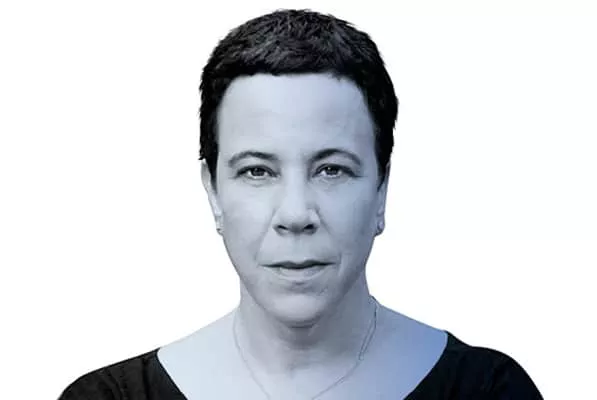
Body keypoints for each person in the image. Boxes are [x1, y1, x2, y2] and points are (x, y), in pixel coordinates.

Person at [59, 8, 543, 399]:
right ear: (213, 191)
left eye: (331, 170)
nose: (295, 215)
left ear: (382, 189)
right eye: (257, 171)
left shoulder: (487, 391)